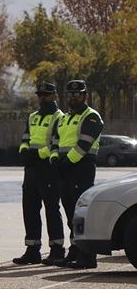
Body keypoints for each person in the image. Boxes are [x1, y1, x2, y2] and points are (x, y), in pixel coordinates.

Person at [47, 79, 104, 269]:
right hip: (64, 169)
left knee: (82, 214)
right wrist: (54, 159)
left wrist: (66, 162)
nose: (73, 98)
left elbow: (84, 144)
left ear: (86, 96)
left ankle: (88, 257)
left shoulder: (92, 117)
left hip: (81, 169)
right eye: (70, 95)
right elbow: (54, 143)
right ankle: (76, 250)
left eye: (77, 94)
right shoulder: (63, 119)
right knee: (70, 213)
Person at [12, 83, 66, 265]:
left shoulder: (60, 118)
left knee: (52, 209)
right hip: (32, 168)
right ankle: (32, 249)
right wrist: (24, 151)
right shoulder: (32, 117)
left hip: (48, 167)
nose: (43, 98)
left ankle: (57, 249)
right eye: (40, 95)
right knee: (30, 208)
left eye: (47, 95)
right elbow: (25, 139)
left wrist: (39, 154)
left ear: (55, 97)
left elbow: (56, 143)